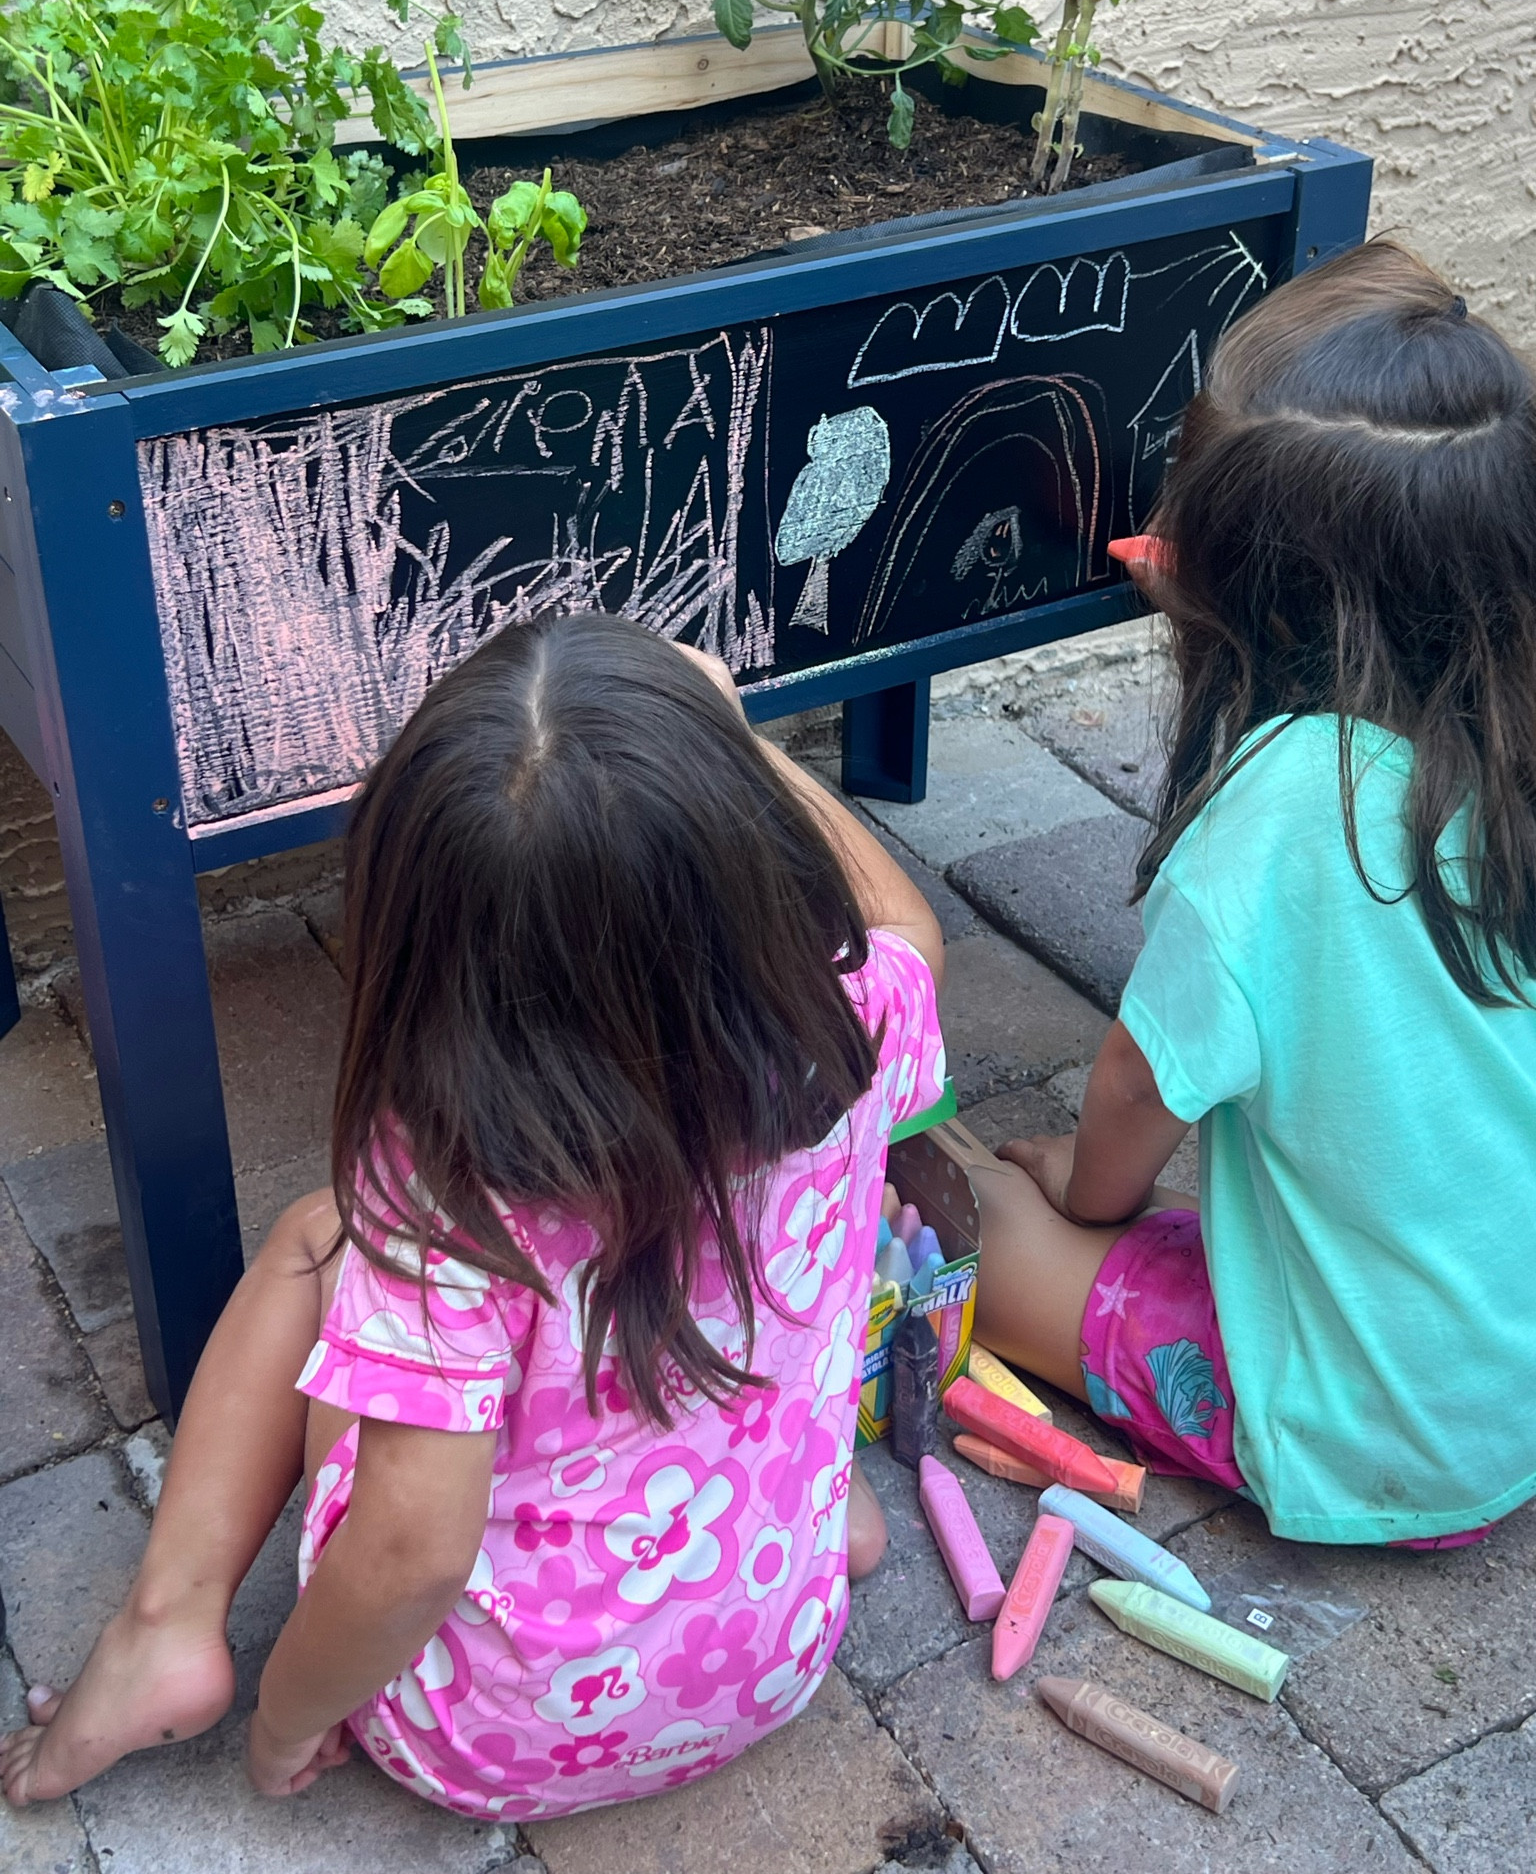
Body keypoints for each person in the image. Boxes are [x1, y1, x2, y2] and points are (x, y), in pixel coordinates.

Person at [1, 614, 945, 1816]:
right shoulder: (847, 1034)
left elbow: (415, 1549)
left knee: (309, 1241)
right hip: (779, 1652)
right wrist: (742, 740)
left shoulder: (441, 1185)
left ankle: (169, 1625)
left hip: (495, 1732)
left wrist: (291, 1713)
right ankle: (787, 1533)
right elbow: (907, 928)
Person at [975, 240, 1536, 1549]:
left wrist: (1082, 1190)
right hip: (1504, 1373)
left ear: (1246, 585)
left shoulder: (1284, 811)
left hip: (1374, 1437)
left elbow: (1134, 1089)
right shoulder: (1509, 739)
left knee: (972, 1227)